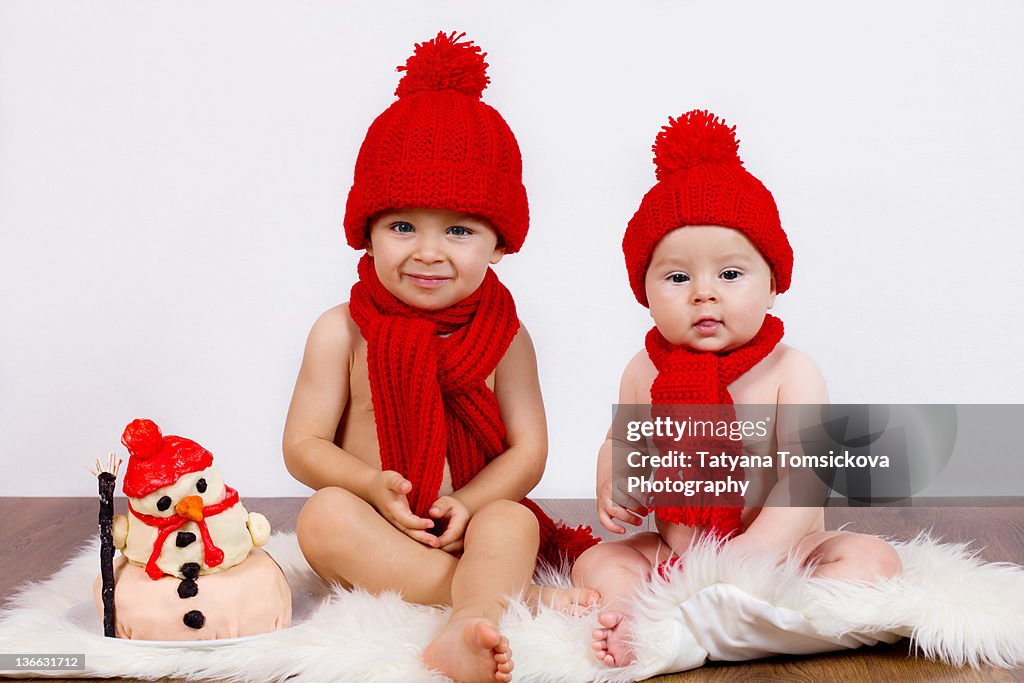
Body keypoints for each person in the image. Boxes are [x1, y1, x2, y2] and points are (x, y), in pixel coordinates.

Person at [282, 32, 597, 683]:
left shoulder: (505, 335)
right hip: (375, 522)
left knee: (513, 521)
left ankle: (467, 617)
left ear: (499, 243)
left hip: (470, 521)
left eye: (458, 229)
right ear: (365, 231)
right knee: (322, 517)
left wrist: (472, 501)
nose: (428, 250)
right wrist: (370, 485)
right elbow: (304, 444)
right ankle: (502, 598)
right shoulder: (341, 331)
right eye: (403, 226)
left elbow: (528, 451)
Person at [571, 110, 903, 667]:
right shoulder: (644, 371)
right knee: (598, 565)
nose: (704, 293)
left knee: (873, 562)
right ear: (644, 290)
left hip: (784, 553)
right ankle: (643, 614)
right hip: (680, 554)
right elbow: (623, 442)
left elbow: (804, 482)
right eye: (678, 277)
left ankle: (727, 619)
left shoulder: (789, 371)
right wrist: (614, 482)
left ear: (773, 283)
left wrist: (746, 558)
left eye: (730, 274)